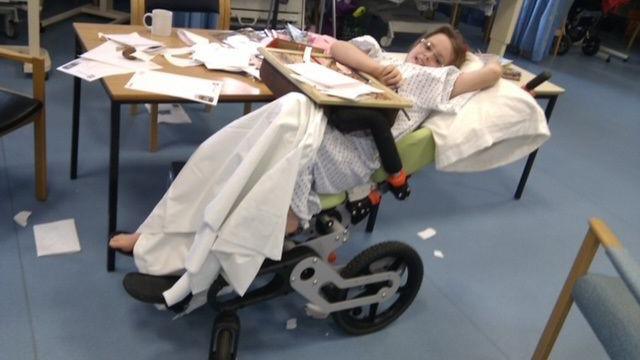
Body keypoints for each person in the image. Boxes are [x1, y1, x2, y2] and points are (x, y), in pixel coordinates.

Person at [110, 25, 502, 310]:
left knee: (281, 123)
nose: (427, 56)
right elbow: (339, 49)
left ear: (448, 66)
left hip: (352, 152)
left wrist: (479, 59)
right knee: (223, 153)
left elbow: (492, 73)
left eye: (438, 56)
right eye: (426, 46)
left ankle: (190, 266)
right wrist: (377, 68)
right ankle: (154, 233)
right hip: (323, 122)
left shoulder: (435, 81)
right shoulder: (386, 60)